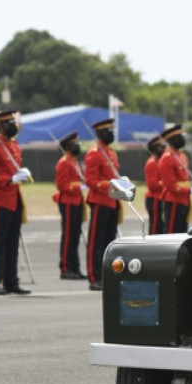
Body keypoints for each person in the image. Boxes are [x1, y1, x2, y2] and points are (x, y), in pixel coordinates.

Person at [0, 110, 31, 295]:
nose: (13, 125)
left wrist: (21, 176)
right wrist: (9, 179)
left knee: (13, 242)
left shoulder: (14, 146)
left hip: (14, 198)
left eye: (14, 122)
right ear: (1, 126)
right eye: (9, 123)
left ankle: (11, 281)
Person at [85, 118, 122, 291]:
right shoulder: (94, 152)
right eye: (107, 131)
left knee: (109, 241)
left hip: (112, 200)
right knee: (96, 240)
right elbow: (91, 180)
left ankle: (107, 275)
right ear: (99, 133)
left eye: (112, 130)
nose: (111, 134)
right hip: (100, 200)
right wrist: (112, 185)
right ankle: (94, 277)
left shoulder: (110, 152)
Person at [159, 124, 192, 233]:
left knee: (183, 232)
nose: (182, 139)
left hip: (184, 200)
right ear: (172, 140)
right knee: (172, 233)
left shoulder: (182, 156)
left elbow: (184, 179)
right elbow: (171, 186)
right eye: (179, 137)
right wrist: (191, 190)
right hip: (174, 200)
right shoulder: (167, 159)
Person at [54, 131, 86, 280]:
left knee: (75, 235)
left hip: (77, 201)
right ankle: (65, 268)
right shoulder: (64, 162)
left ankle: (75, 267)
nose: (77, 145)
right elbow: (61, 185)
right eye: (75, 143)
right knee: (68, 236)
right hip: (67, 202)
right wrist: (78, 187)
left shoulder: (74, 161)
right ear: (68, 146)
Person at [144, 135, 166, 235]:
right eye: (161, 146)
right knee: (156, 227)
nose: (164, 148)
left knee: (161, 226)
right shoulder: (152, 163)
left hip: (160, 199)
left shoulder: (160, 161)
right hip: (154, 199)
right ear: (155, 148)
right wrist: (167, 183)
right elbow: (152, 185)